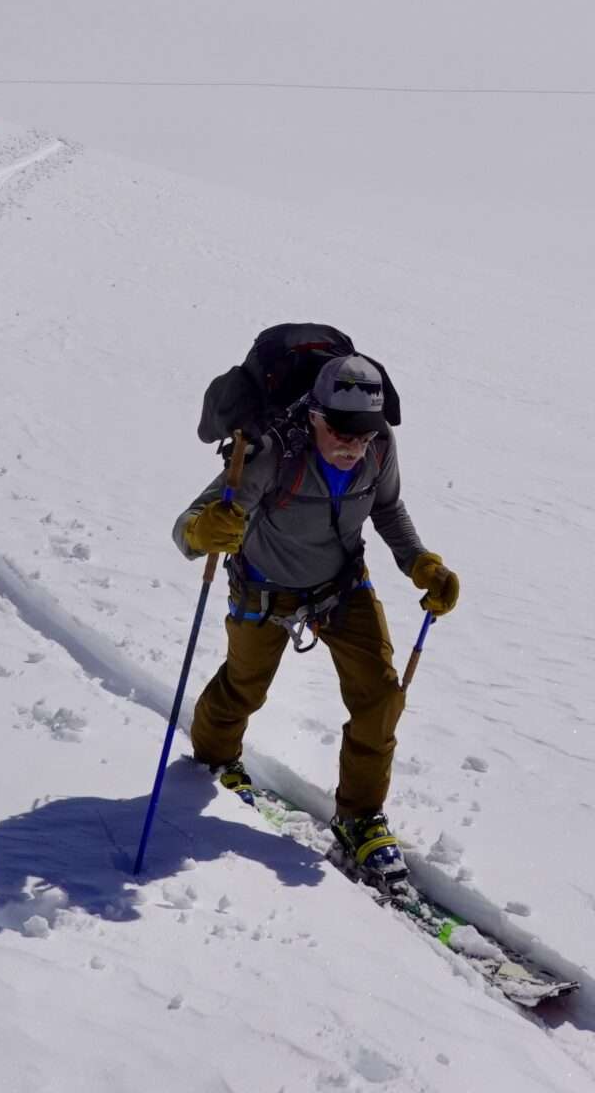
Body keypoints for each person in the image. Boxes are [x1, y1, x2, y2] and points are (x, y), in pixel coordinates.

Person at [173, 354, 461, 885]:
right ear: (314, 416)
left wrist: (420, 562)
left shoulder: (378, 450)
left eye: (366, 432)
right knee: (244, 688)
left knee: (379, 694)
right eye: (342, 430)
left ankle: (360, 817)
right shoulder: (269, 456)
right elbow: (188, 524)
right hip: (264, 591)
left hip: (342, 585)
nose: (354, 444)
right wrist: (201, 533)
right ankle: (213, 761)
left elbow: (388, 508)